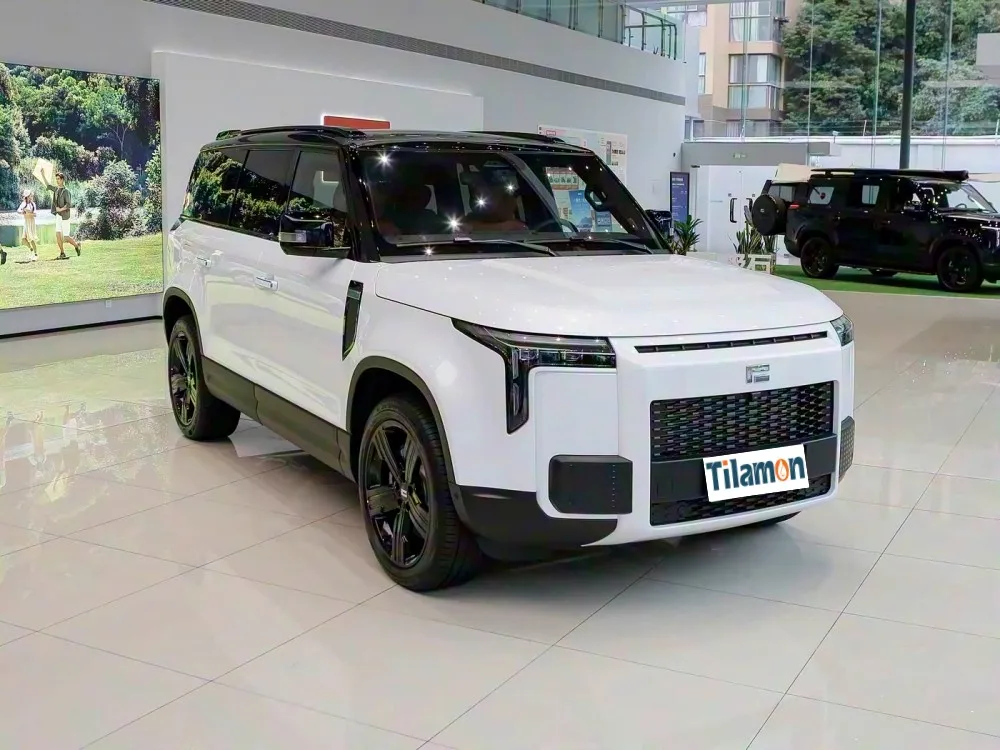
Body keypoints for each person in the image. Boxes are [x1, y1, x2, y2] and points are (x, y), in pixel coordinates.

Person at [41, 171, 82, 260]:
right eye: (56, 179)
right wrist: (43, 174)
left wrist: (60, 209)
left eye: (59, 179)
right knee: (58, 234)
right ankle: (62, 253)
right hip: (58, 216)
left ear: (62, 180)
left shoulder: (66, 191)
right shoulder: (56, 189)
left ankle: (77, 245)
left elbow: (68, 204)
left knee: (66, 237)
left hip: (65, 216)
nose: (57, 181)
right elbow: (48, 185)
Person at [17, 189, 39, 262]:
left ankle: (35, 255)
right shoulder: (23, 203)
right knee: (24, 240)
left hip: (31, 222)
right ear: (27, 197)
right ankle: (31, 250)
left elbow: (35, 214)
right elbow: (18, 210)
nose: (31, 197)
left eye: (31, 195)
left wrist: (29, 212)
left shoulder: (33, 204)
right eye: (30, 196)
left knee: (31, 239)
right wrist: (22, 212)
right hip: (26, 222)